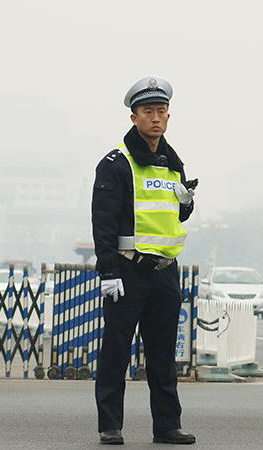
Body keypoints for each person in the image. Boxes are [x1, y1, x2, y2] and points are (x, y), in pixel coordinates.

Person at [92, 75, 197, 445]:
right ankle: (110, 425)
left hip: (165, 273)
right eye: (148, 111)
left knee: (163, 354)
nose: (156, 118)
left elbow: (175, 216)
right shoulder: (115, 163)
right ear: (134, 117)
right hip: (127, 270)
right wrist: (108, 270)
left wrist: (188, 203)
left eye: (162, 111)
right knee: (116, 350)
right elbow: (102, 222)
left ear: (169, 116)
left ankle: (167, 426)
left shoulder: (173, 162)